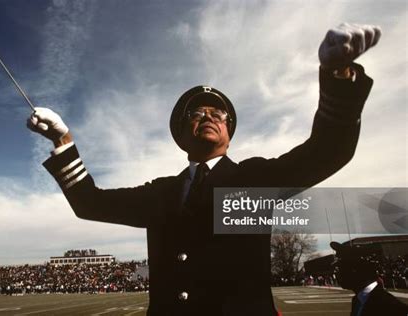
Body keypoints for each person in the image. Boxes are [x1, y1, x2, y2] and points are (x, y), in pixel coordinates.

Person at [28, 23, 381, 315]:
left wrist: (338, 75)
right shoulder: (162, 191)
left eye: (218, 114)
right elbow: (90, 203)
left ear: (229, 132)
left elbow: (327, 151)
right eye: (198, 113)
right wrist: (64, 140)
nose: (209, 116)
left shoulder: (253, 179)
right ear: (182, 134)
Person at [330, 242, 408, 316]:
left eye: (343, 268)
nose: (338, 273)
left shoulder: (391, 306)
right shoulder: (358, 299)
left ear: (358, 269)